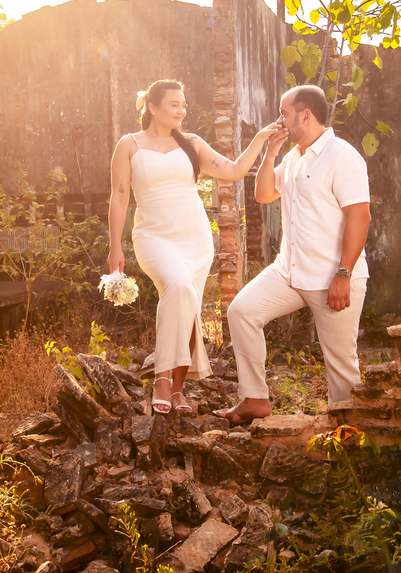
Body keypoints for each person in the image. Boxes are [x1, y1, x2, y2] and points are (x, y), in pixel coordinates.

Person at [108, 79, 286, 415]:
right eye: (174, 104)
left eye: (183, 104)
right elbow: (119, 197)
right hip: (153, 235)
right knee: (176, 285)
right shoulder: (129, 145)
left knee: (188, 305)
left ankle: (177, 390)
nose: (182, 110)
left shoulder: (191, 143)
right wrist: (115, 245)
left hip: (195, 237)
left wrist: (262, 138)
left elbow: (233, 172)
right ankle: (162, 377)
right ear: (152, 107)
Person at [215, 84, 372, 424]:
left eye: (284, 114)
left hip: (333, 277)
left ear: (306, 115)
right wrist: (271, 153)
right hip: (289, 272)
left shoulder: (342, 157)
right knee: (241, 311)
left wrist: (343, 275)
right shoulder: (293, 156)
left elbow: (360, 217)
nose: (280, 120)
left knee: (341, 364)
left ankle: (347, 437)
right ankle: (255, 399)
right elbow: (264, 194)